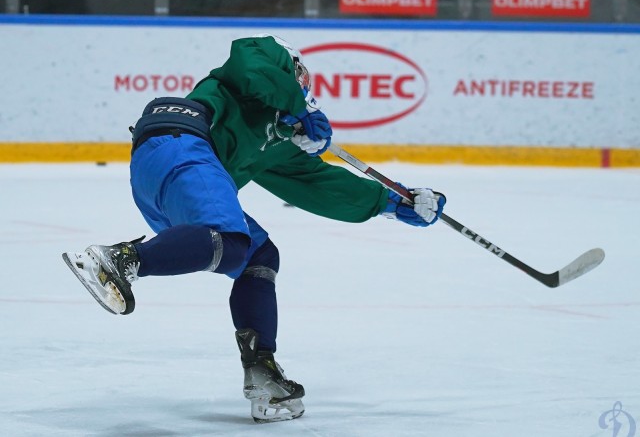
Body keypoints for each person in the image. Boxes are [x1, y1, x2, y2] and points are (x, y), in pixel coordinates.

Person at [62, 34, 446, 423]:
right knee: (230, 241)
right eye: (301, 80)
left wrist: (392, 203)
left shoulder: (276, 140)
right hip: (182, 140)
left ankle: (262, 373)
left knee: (256, 255)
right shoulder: (264, 59)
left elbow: (317, 183)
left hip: (172, 175)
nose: (304, 88)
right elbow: (250, 65)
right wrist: (297, 108)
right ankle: (122, 260)